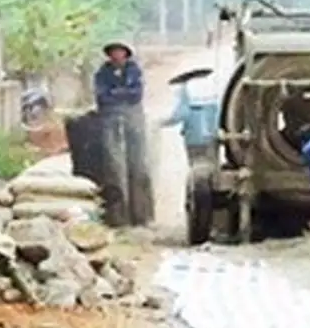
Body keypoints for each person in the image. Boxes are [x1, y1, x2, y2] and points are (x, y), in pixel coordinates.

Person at [93, 40, 153, 227]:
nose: (116, 55)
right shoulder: (102, 74)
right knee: (113, 168)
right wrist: (122, 94)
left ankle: (141, 217)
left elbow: (136, 94)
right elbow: (101, 96)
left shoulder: (134, 71)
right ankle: (118, 219)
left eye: (119, 52)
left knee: (139, 167)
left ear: (126, 54)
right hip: (110, 119)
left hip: (133, 119)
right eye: (113, 52)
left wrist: (115, 93)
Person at [159, 72, 221, 166]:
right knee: (212, 166)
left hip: (193, 140)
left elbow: (177, 116)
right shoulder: (212, 91)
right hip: (212, 138)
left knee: (196, 167)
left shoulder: (185, 92)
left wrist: (160, 123)